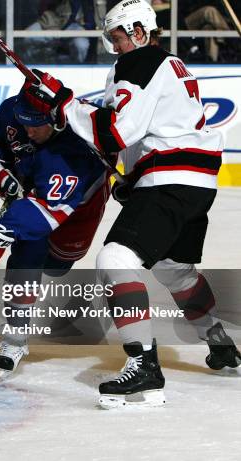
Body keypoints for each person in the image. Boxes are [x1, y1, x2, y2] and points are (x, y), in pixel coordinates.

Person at [20, 0, 240, 408]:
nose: (114, 47)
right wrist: (132, 179)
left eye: (117, 38)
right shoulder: (168, 64)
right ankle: (219, 341)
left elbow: (117, 131)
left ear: (139, 32)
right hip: (195, 184)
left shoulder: (139, 61)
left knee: (115, 261)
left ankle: (144, 367)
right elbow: (146, 131)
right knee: (175, 270)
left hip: (169, 182)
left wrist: (63, 102)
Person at [0, 91, 110, 380]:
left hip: (80, 206)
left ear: (56, 119)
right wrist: (2, 172)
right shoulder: (11, 112)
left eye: (37, 124)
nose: (29, 130)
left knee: (57, 266)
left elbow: (47, 212)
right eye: (25, 122)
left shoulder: (74, 148)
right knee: (26, 257)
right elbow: (0, 145)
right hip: (37, 197)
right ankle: (15, 336)